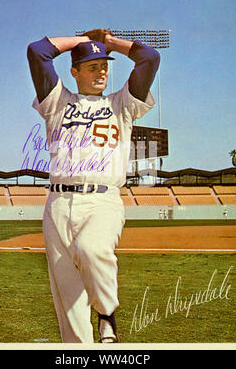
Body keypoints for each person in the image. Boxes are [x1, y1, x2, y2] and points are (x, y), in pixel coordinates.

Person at [27, 28, 160, 343]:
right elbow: (37, 52)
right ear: (74, 71)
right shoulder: (56, 101)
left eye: (104, 65)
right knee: (69, 305)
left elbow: (150, 58)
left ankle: (107, 314)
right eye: (92, 65)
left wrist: (109, 43)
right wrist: (81, 40)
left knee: (92, 248)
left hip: (102, 201)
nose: (101, 71)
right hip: (57, 205)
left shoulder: (122, 103)